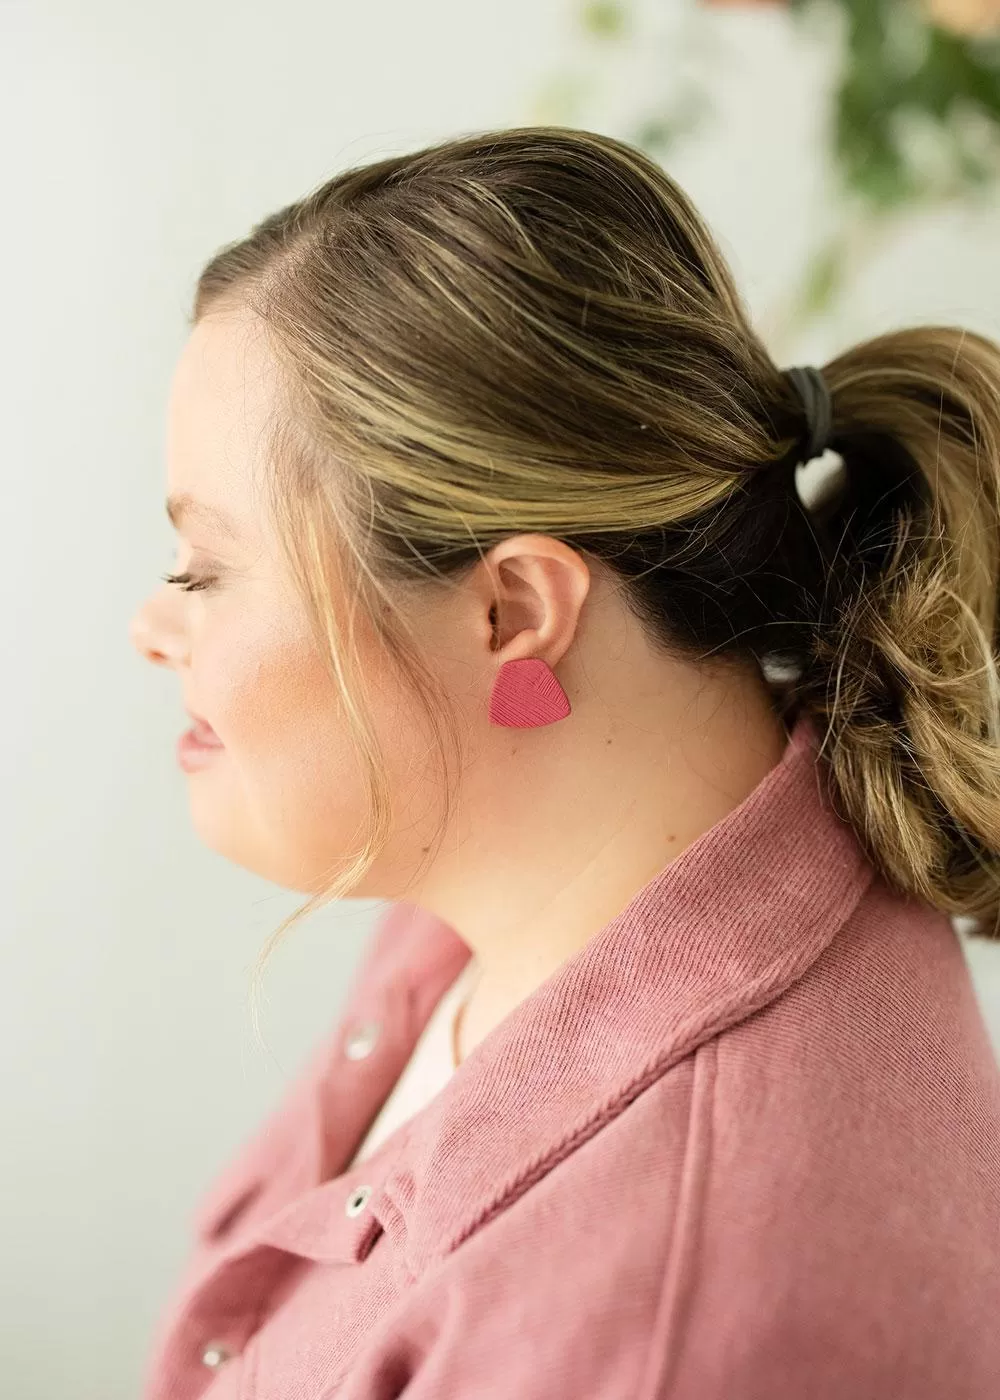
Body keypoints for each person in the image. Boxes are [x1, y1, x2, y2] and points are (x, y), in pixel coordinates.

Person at [128, 125, 1000, 1399]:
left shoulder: (668, 1328)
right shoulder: (502, 872)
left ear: (512, 612)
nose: (153, 626)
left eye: (205, 568)